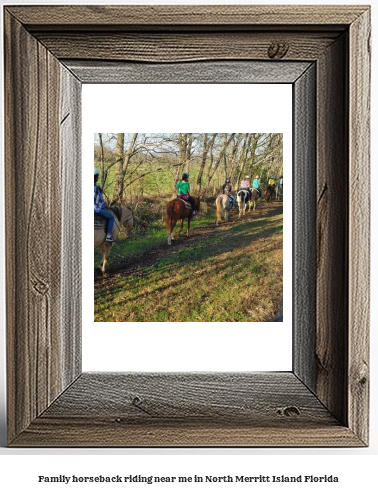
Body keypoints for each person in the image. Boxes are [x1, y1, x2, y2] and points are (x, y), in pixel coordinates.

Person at [94, 167, 115, 243]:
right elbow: (98, 202)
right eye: (97, 176)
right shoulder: (96, 188)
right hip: (96, 209)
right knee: (111, 217)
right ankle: (109, 236)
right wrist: (104, 205)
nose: (98, 178)